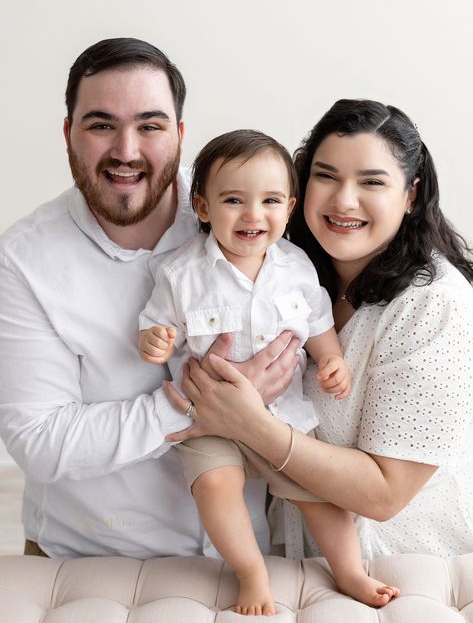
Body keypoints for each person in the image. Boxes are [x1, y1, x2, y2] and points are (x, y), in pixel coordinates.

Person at [0, 37, 298, 559]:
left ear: (180, 135)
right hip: (89, 563)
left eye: (150, 125)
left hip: (252, 555)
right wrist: (203, 407)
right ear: (68, 134)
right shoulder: (23, 259)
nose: (126, 151)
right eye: (100, 124)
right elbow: (42, 443)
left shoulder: (244, 211)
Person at [165, 99, 473, 571]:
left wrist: (248, 421)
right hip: (295, 558)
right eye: (326, 176)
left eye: (371, 182)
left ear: (410, 195)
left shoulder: (434, 304)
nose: (344, 200)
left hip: (405, 566)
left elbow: (387, 493)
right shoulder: (289, 268)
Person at [138, 129, 392, 614]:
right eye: (234, 200)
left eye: (270, 200)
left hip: (281, 417)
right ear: (204, 207)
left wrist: (333, 358)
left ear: (290, 207)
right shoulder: (180, 274)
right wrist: (154, 342)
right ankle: (252, 573)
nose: (254, 215)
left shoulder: (295, 267)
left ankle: (351, 572)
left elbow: (316, 323)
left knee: (320, 492)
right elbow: (154, 326)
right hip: (210, 420)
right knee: (214, 486)